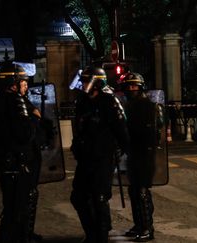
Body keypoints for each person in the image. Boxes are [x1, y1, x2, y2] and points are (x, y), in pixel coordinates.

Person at [70, 66, 129, 243]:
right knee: (78, 197)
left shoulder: (109, 102)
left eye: (87, 81)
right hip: (85, 158)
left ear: (97, 82)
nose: (83, 84)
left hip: (103, 157)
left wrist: (121, 152)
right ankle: (91, 232)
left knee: (99, 197)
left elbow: (121, 130)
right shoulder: (82, 101)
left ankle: (101, 236)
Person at [0, 62, 44, 243]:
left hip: (6, 161)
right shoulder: (15, 101)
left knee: (13, 207)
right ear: (13, 82)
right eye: (23, 81)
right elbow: (24, 134)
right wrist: (35, 118)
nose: (26, 85)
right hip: (17, 163)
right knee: (17, 209)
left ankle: (21, 235)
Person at [119, 72, 164, 242]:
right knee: (134, 190)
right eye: (129, 86)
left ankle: (147, 228)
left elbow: (153, 130)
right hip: (134, 152)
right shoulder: (130, 105)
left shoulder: (147, 106)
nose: (132, 89)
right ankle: (139, 225)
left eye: (134, 86)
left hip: (144, 153)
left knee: (142, 190)